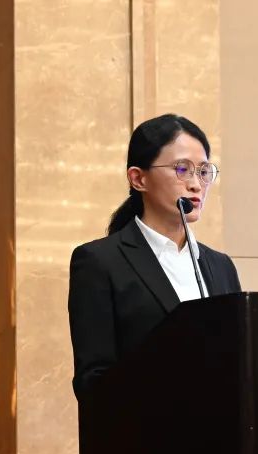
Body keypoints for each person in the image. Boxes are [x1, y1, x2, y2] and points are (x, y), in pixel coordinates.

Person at [68, 113, 241, 399]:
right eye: (182, 169)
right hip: (145, 425)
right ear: (138, 178)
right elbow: (93, 382)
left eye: (203, 171)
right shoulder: (100, 262)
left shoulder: (220, 266)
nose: (196, 185)